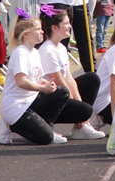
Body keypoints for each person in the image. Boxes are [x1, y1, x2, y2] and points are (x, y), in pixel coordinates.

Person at [0, 15, 70, 145]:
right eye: (37, 29)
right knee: (45, 139)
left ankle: (44, 126)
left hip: (30, 101)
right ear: (26, 34)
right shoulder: (20, 53)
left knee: (62, 92)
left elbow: (37, 78)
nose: (42, 31)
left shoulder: (35, 52)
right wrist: (43, 88)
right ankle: (11, 125)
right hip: (16, 105)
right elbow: (21, 81)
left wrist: (45, 83)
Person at [37, 7, 105, 140]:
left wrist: (79, 102)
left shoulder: (61, 48)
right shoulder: (47, 50)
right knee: (85, 110)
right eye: (66, 23)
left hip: (61, 92)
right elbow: (59, 82)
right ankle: (47, 125)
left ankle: (81, 127)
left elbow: (68, 78)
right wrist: (81, 109)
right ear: (55, 28)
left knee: (93, 78)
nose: (70, 26)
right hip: (48, 99)